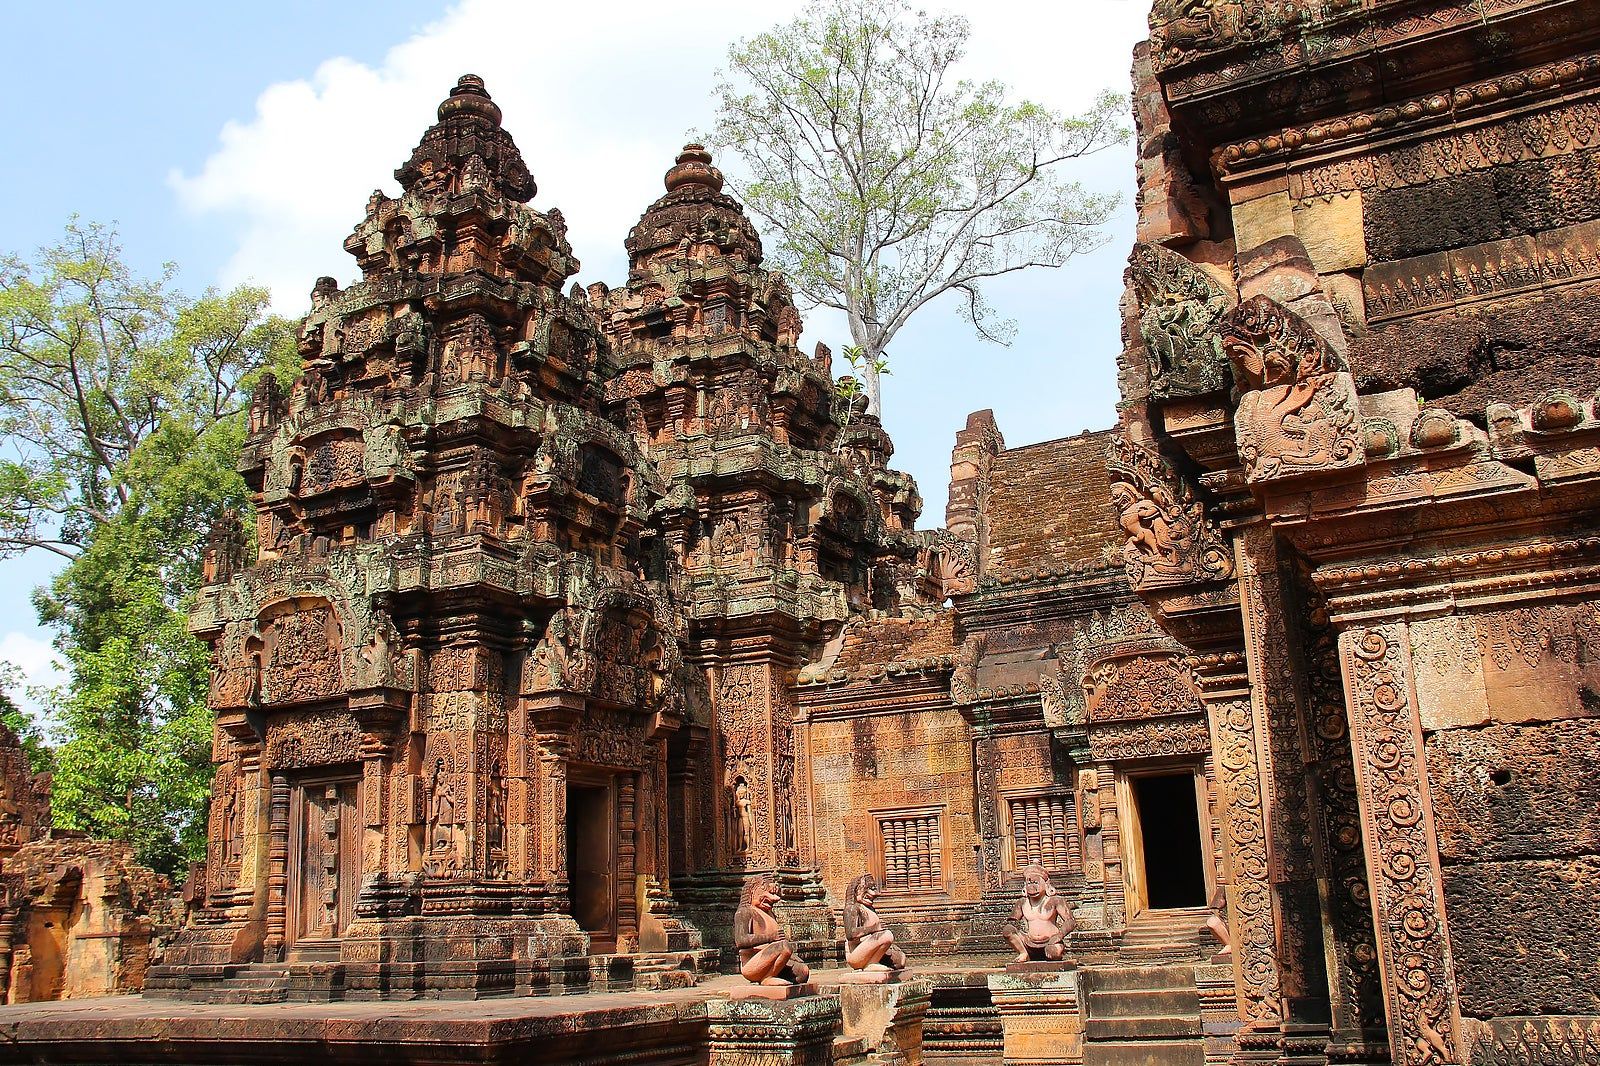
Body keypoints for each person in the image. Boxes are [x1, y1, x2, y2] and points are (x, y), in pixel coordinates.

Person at [734, 874, 810, 985]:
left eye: (774, 894)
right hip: (752, 963)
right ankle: (767, 978)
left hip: (772, 960)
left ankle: (772, 974)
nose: (775, 898)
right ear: (752, 893)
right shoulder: (744, 912)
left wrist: (792, 957)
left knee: (802, 972)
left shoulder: (769, 914)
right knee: (784, 946)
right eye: (769, 893)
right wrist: (770, 937)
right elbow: (741, 940)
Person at [1004, 864, 1076, 963]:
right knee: (1007, 930)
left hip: (1051, 941)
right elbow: (1012, 922)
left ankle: (1051, 952)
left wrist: (1059, 935)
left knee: (1052, 953)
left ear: (1046, 884)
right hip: (1029, 942)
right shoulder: (1022, 902)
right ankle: (1023, 953)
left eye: (1035, 883)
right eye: (1029, 883)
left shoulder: (1055, 901)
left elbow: (1070, 921)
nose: (1032, 887)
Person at [843, 873, 906, 971]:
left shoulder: (869, 909)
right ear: (858, 890)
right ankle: (871, 965)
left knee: (900, 959)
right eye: (871, 888)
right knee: (887, 935)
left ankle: (873, 962)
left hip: (869, 950)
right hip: (855, 954)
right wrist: (874, 928)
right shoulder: (852, 908)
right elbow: (850, 934)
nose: (875, 893)